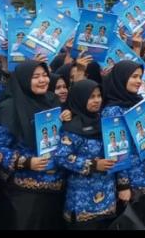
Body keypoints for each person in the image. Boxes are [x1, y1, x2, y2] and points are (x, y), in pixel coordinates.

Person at [0, 60, 66, 229]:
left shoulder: (52, 101)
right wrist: (25, 162)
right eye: (35, 77)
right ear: (23, 79)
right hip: (24, 192)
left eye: (45, 75)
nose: (43, 80)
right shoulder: (9, 108)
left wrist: (67, 121)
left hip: (56, 187)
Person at [99, 60, 145, 229]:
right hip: (134, 183)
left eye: (140, 77)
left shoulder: (141, 103)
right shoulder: (112, 111)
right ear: (121, 78)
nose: (139, 81)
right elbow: (117, 151)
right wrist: (123, 185)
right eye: (134, 77)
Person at [54, 80, 121, 229]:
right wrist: (93, 164)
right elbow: (61, 156)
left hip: (107, 199)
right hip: (82, 204)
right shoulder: (72, 127)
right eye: (91, 97)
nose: (97, 100)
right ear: (80, 98)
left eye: (99, 96)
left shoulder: (105, 123)